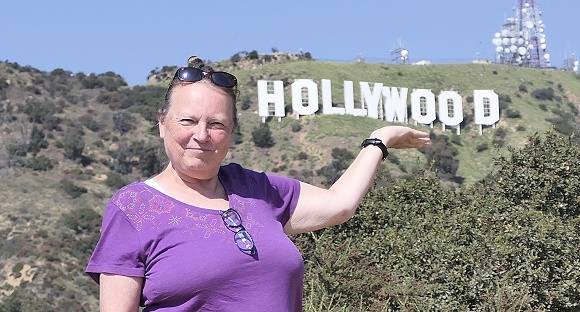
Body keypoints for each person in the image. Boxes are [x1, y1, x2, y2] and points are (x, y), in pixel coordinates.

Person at [86, 56, 430, 311]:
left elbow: (339, 204)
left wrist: (379, 141)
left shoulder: (255, 189)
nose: (201, 136)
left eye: (217, 124)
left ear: (232, 131)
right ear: (162, 123)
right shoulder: (134, 208)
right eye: (187, 120)